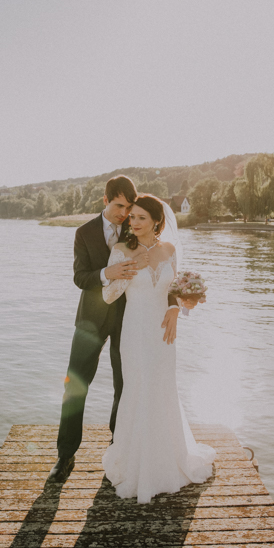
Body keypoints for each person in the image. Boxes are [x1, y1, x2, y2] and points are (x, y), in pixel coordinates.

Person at [48, 176, 180, 482]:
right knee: (75, 385)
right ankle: (65, 456)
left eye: (129, 208)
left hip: (129, 319)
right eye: (119, 206)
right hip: (91, 320)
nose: (125, 214)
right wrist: (108, 272)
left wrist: (174, 305)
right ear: (106, 200)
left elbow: (164, 276)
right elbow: (80, 277)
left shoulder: (137, 225)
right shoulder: (84, 232)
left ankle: (118, 447)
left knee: (126, 385)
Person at [101, 194, 215, 504]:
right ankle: (136, 464)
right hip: (135, 330)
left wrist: (177, 308)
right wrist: (128, 269)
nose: (134, 222)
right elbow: (109, 296)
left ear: (156, 221)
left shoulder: (169, 250)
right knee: (138, 387)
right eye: (132, 217)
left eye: (141, 217)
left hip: (164, 330)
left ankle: (168, 460)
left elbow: (172, 290)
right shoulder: (121, 250)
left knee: (163, 387)